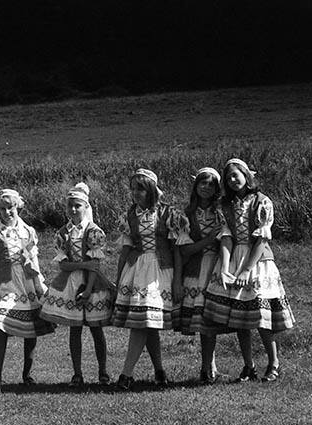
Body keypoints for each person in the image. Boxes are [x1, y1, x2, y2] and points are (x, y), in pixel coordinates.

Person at [202, 158, 295, 382]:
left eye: (236, 175)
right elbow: (226, 238)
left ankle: (274, 364)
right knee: (240, 318)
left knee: (262, 317)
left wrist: (246, 270)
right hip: (234, 259)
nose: (233, 180)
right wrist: (225, 267)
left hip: (258, 260)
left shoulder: (262, 202)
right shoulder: (225, 205)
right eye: (228, 177)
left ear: (246, 175)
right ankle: (248, 365)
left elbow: (262, 240)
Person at [113, 169, 187, 390]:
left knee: (145, 321)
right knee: (146, 322)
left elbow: (177, 250)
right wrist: (118, 280)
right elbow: (125, 250)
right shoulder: (130, 215)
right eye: (133, 188)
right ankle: (159, 371)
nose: (136, 193)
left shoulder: (168, 214)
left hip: (160, 272)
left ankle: (126, 374)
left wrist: (177, 281)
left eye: (141, 188)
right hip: (136, 272)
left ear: (152, 190)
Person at [39, 183, 114, 387]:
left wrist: (89, 289)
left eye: (77, 206)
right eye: (70, 206)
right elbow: (63, 266)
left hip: (92, 282)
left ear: (85, 206)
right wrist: (83, 264)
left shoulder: (94, 231)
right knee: (75, 329)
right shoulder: (62, 233)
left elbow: (95, 265)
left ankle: (103, 372)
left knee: (96, 328)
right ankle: (77, 373)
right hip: (71, 283)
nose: (73, 210)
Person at [0, 189, 54, 394]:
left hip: (28, 281)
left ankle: (27, 375)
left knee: (30, 328)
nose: (7, 212)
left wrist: (40, 285)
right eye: (2, 209)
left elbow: (34, 259)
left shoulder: (28, 230)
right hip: (6, 284)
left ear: (17, 207)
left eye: (10, 207)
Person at [175, 167, 225, 384]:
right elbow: (184, 250)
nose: (206, 187)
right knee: (201, 318)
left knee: (209, 319)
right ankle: (207, 366)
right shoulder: (186, 215)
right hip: (196, 268)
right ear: (195, 186)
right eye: (202, 183)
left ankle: (209, 366)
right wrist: (207, 241)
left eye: (211, 184)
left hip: (217, 265)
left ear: (216, 189)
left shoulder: (221, 212)